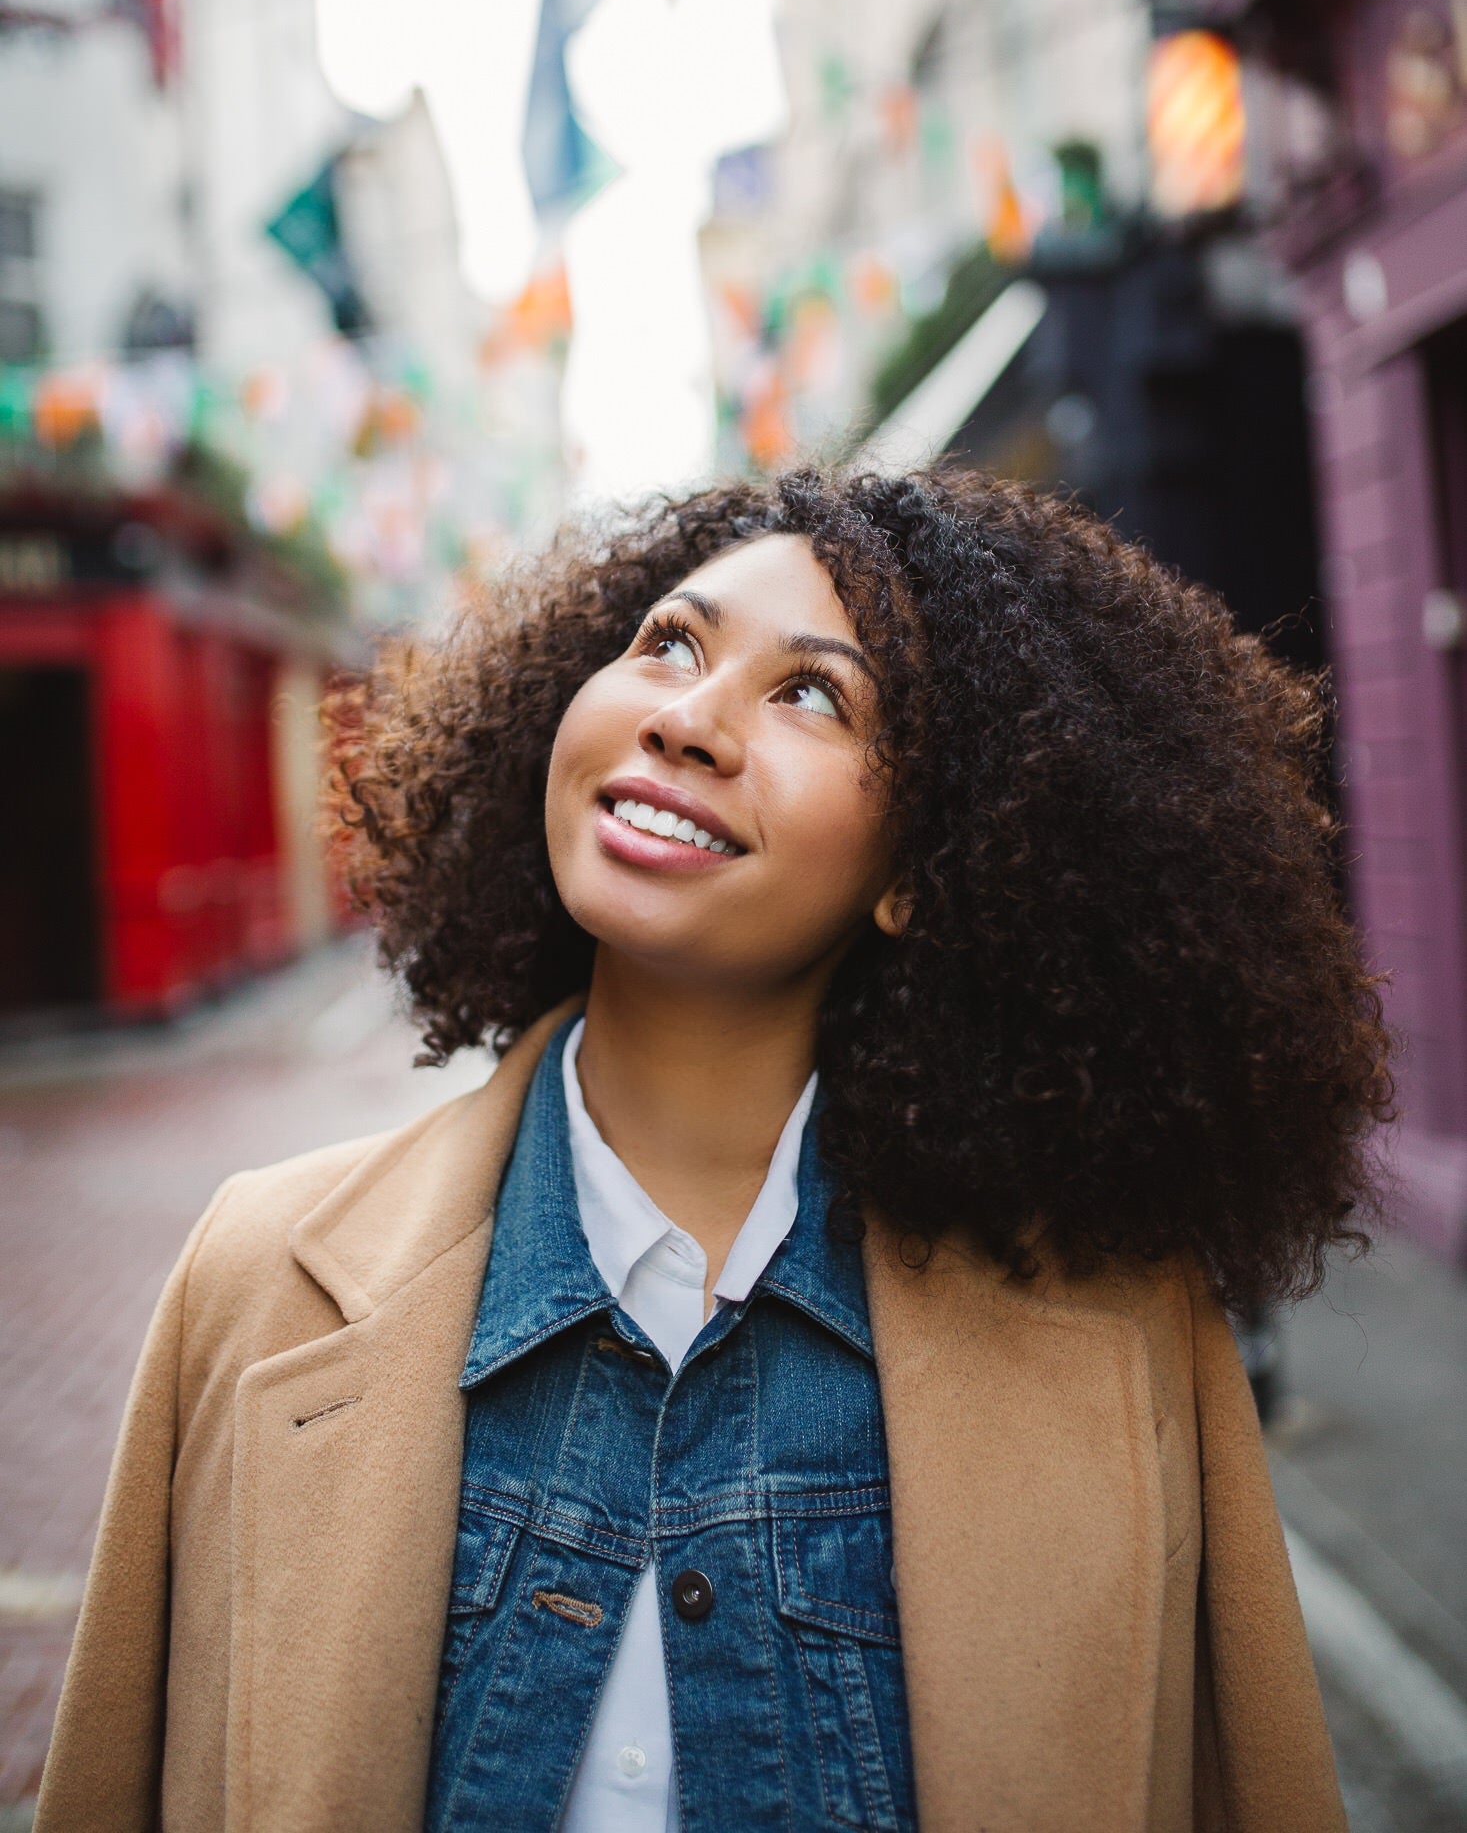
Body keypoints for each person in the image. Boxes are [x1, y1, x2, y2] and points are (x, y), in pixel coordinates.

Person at [37, 466, 1387, 1833]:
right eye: (669, 645)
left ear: (924, 870)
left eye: (814, 694)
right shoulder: (255, 1280)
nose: (687, 720)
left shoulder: (1126, 1324)